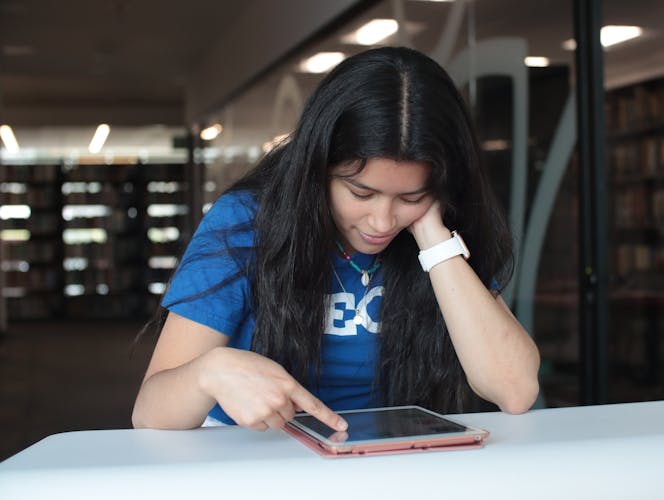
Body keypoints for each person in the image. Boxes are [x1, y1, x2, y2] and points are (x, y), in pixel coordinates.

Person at [132, 46, 540, 433]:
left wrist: (433, 239)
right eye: (361, 193)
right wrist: (209, 373)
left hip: (384, 457)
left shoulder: (444, 232)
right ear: (316, 171)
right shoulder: (244, 220)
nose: (382, 221)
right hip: (253, 456)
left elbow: (515, 390)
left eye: (410, 196)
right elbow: (149, 413)